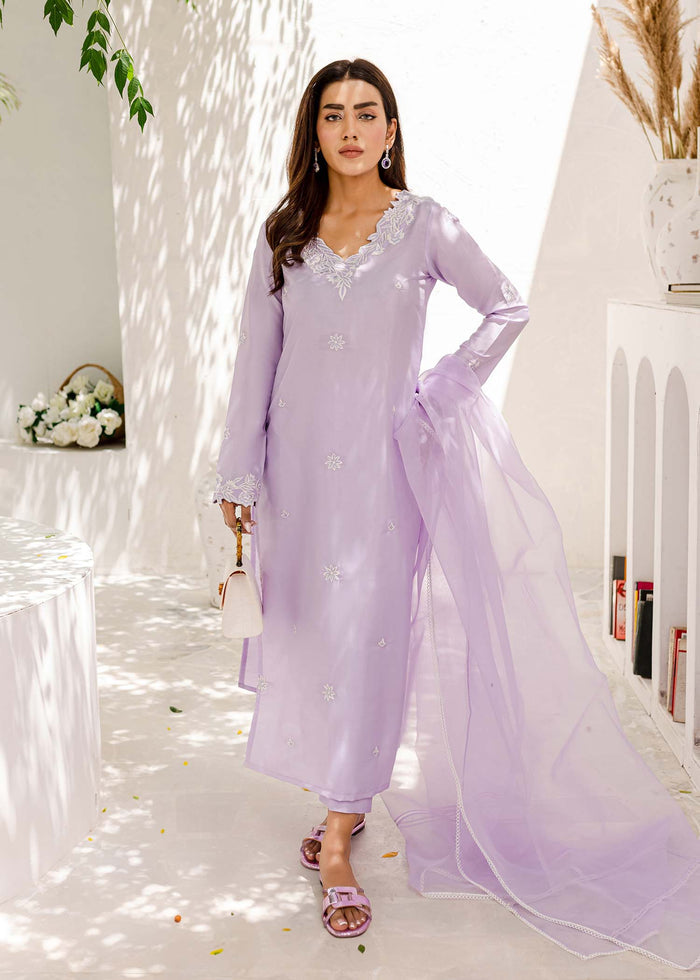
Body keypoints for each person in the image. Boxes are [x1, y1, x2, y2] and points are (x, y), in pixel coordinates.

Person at [213, 58, 700, 965]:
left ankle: (338, 834)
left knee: (370, 640)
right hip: (296, 481)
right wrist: (238, 478)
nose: (350, 129)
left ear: (390, 130)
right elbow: (255, 363)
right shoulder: (286, 233)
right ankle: (341, 796)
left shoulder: (423, 225)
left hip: (384, 477)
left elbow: (506, 306)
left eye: (366, 113)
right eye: (333, 114)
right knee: (313, 638)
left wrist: (439, 391)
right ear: (313, 132)